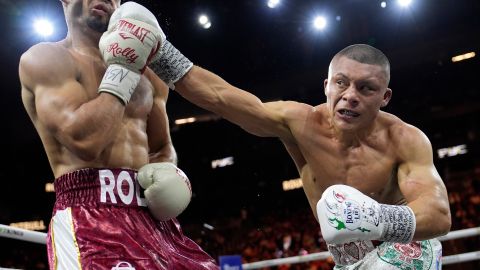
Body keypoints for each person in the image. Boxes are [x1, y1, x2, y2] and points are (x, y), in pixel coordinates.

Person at [145, 6, 452, 269]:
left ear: (384, 97)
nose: (350, 96)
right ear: (326, 86)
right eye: (341, 84)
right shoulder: (300, 123)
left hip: (406, 246)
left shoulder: (405, 139)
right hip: (348, 255)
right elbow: (220, 97)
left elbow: (438, 215)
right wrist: (160, 52)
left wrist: (372, 217)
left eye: (365, 88)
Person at [19, 0, 218, 269]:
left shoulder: (151, 75)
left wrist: (167, 175)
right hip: (88, 213)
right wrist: (124, 69)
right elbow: (85, 141)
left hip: (153, 220)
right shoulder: (45, 58)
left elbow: (161, 147)